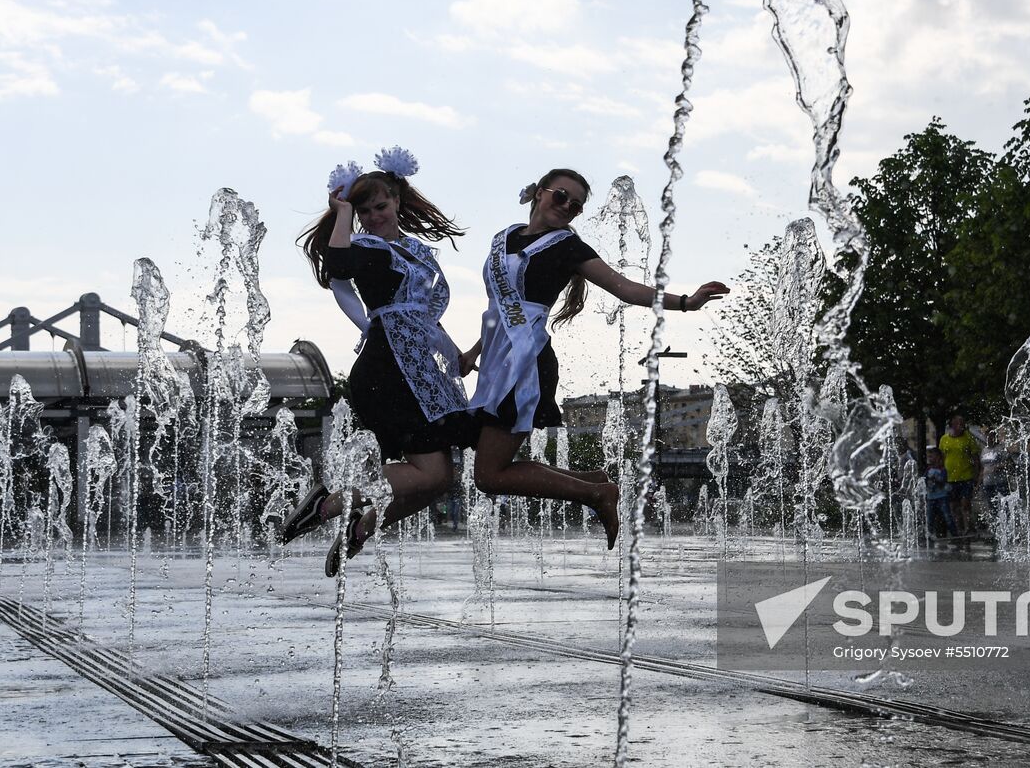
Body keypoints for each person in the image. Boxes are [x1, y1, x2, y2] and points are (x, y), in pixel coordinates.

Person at [460, 169, 730, 549]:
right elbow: (502, 312)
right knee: (492, 470)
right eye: (561, 197)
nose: (568, 207)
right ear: (539, 193)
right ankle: (592, 481)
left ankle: (595, 493)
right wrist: (475, 351)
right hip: (495, 364)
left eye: (576, 206)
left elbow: (625, 288)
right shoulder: (503, 238)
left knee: (489, 475)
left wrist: (686, 303)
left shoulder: (568, 246)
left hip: (526, 365)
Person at [281, 147, 479, 576]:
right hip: (390, 370)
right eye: (364, 210)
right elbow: (337, 265)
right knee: (429, 475)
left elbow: (423, 318)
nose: (373, 216)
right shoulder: (367, 247)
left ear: (397, 201)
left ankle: (362, 523)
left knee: (440, 478)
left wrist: (455, 355)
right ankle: (330, 503)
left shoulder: (418, 252)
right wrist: (341, 214)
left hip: (418, 369)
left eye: (380, 206)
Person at [938, 414, 983, 541]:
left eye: (963, 423)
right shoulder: (944, 439)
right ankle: (959, 528)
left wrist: (976, 475)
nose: (962, 426)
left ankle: (968, 528)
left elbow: (975, 459)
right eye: (959, 423)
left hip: (966, 477)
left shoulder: (968, 438)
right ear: (952, 425)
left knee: (965, 504)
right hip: (950, 478)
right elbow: (942, 458)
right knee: (953, 506)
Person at [924, 448, 956, 542]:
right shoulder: (928, 469)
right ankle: (929, 535)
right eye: (929, 456)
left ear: (938, 457)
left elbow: (943, 481)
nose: (930, 458)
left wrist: (936, 480)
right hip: (931, 497)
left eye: (932, 456)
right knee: (929, 518)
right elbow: (924, 480)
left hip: (942, 496)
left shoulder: (942, 469)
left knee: (947, 516)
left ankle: (955, 535)